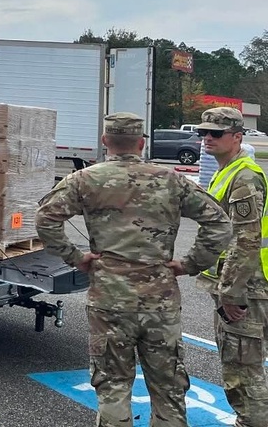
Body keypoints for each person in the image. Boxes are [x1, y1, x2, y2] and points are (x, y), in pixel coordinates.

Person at [36, 112, 232, 427]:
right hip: (161, 301)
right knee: (168, 386)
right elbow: (220, 223)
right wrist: (190, 264)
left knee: (113, 383)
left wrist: (76, 257)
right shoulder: (172, 180)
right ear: (141, 143)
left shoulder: (85, 179)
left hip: (109, 299)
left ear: (104, 142)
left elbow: (46, 219)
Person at [194, 106, 268, 427]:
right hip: (241, 288)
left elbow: (246, 241)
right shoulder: (226, 172)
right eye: (203, 132)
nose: (207, 138)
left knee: (244, 376)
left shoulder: (244, 178)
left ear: (237, 137)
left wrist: (231, 294)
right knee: (242, 369)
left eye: (216, 133)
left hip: (246, 293)